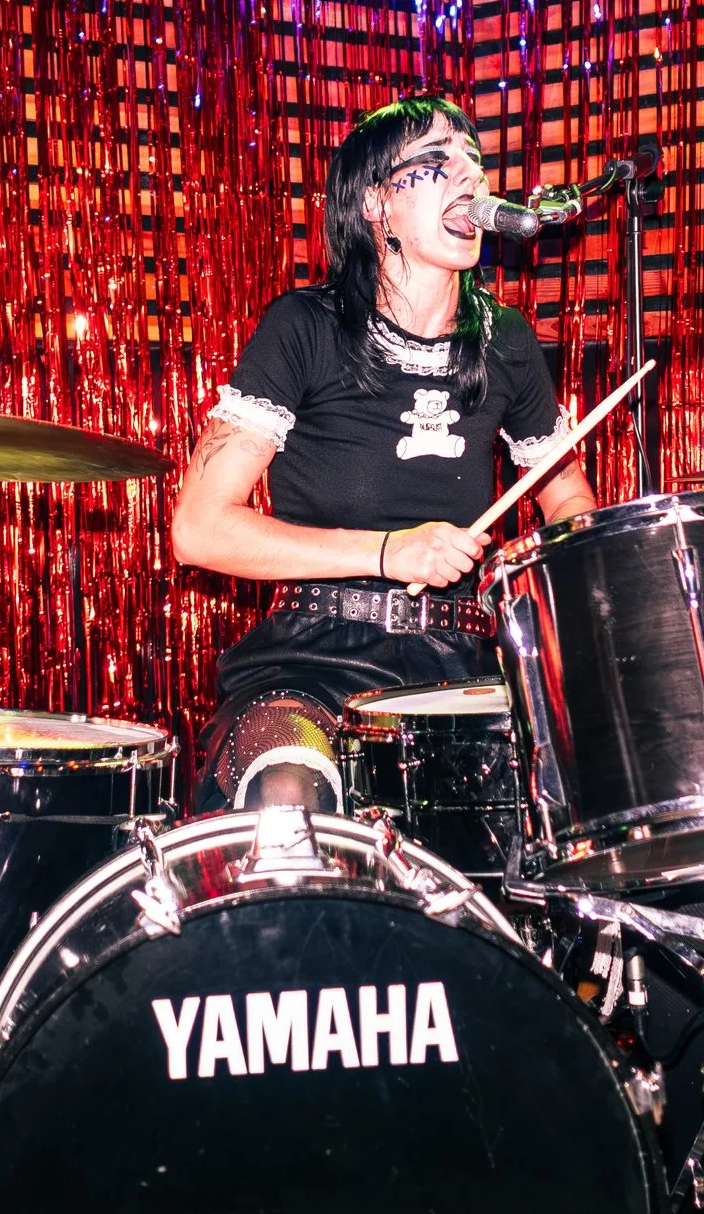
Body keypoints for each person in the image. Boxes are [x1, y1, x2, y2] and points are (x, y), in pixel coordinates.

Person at [170, 97, 596, 812]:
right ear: (376, 204)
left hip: (461, 666)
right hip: (313, 659)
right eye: (435, 163)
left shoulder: (507, 342)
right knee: (285, 785)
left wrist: (560, 577)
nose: (468, 175)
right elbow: (198, 529)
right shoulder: (303, 326)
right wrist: (389, 551)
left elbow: (569, 502)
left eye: (474, 161)